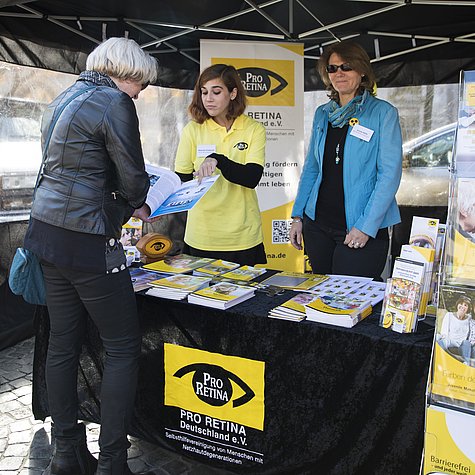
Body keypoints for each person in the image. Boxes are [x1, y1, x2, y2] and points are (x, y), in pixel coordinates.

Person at [23, 37, 158, 475]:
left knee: (62, 343)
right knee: (121, 348)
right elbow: (134, 179)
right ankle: (113, 463)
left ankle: (66, 453)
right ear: (129, 74)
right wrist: (139, 198)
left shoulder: (65, 96)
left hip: (46, 234)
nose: (141, 93)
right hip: (88, 238)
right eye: (142, 84)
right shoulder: (114, 101)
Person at [289, 40, 402, 280]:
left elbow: (389, 175)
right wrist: (298, 216)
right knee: (321, 298)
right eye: (332, 68)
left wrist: (365, 227)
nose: (339, 73)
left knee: (350, 305)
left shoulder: (383, 113)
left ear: (362, 71)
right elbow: (312, 168)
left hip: (359, 228)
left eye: (346, 66)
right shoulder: (323, 114)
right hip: (317, 225)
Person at [174, 64, 267, 266]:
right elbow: (180, 180)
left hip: (243, 237)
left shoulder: (253, 129)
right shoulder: (193, 130)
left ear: (233, 93)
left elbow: (251, 178)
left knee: (245, 297)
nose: (208, 99)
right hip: (202, 235)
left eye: (216, 92)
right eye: (204, 92)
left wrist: (218, 159)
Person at [438, 295, 472, 364]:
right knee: (440, 339)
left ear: (468, 308)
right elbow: (444, 332)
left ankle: (466, 364)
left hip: (461, 344)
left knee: (467, 343)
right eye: (461, 304)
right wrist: (444, 338)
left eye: (465, 305)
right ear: (457, 304)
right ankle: (441, 360)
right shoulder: (449, 315)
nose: (463, 306)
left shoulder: (469, 318)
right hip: (450, 341)